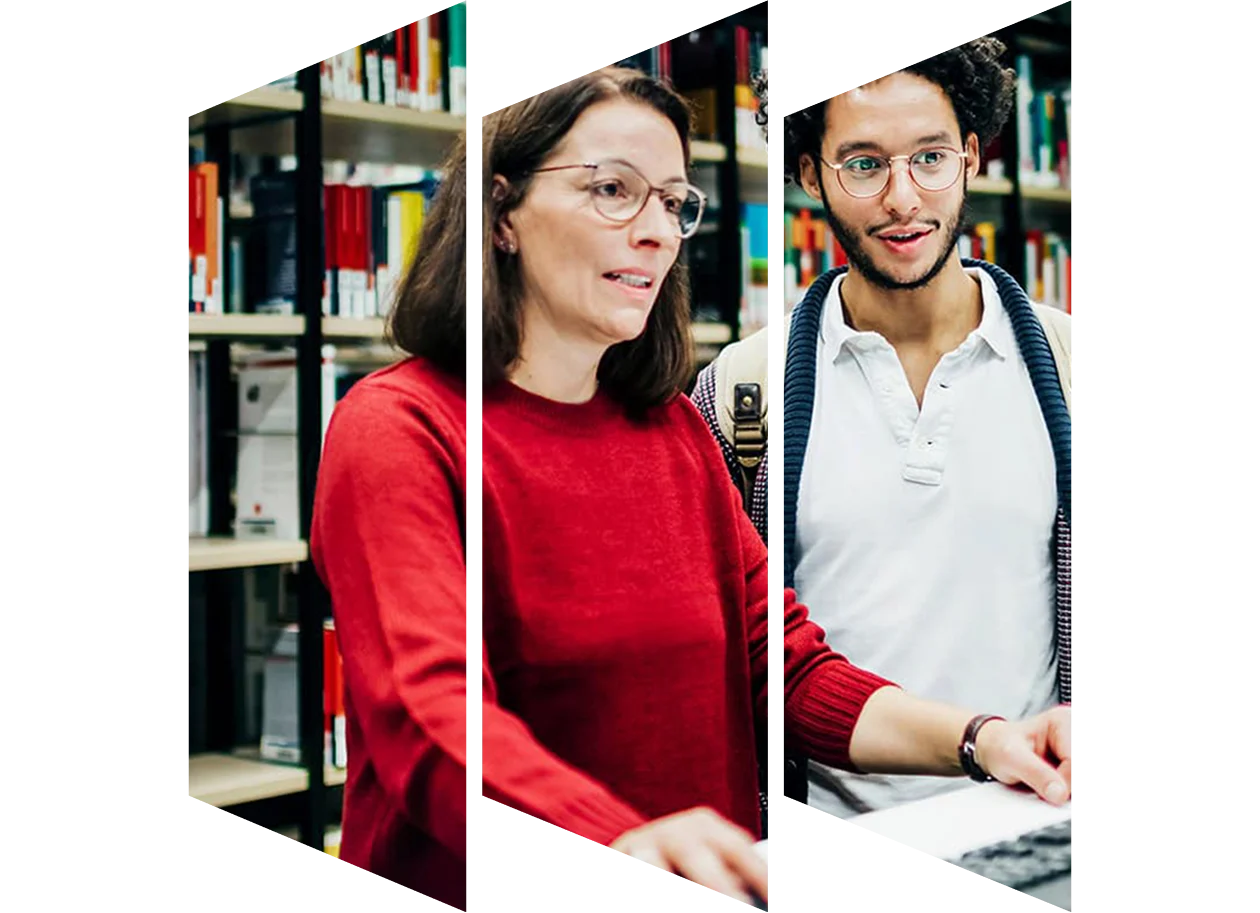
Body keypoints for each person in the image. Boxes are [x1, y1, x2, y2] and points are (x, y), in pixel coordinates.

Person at [310, 64, 1072, 912]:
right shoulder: (400, 428)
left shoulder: (672, 431)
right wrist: (620, 838)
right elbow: (428, 715)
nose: (656, 233)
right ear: (502, 212)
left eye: (674, 203)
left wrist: (982, 739)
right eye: (612, 190)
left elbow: (781, 667)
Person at [693, 36, 1073, 824]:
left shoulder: (1067, 366)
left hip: (1032, 817)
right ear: (809, 175)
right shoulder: (738, 393)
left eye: (930, 157)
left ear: (971, 157)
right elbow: (727, 650)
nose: (903, 197)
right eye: (863, 164)